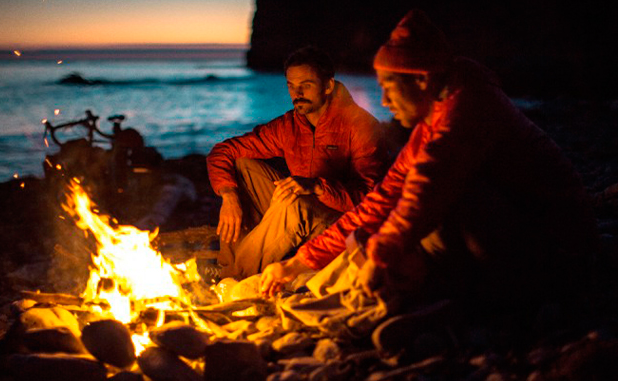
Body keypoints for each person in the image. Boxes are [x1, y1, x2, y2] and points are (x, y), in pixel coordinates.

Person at [260, 10, 598, 314]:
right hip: (522, 238)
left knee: (442, 204)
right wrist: (298, 262)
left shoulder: (468, 110)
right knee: (385, 221)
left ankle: (460, 301)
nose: (384, 101)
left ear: (421, 79)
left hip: (560, 251)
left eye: (389, 87)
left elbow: (425, 191)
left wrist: (379, 256)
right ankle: (427, 294)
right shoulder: (433, 119)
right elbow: (383, 197)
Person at [206, 46, 388, 281]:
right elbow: (223, 152)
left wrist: (318, 187)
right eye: (291, 85)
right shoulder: (289, 126)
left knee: (296, 205)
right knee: (242, 165)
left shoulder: (360, 126)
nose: (297, 92)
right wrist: (228, 196)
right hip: (301, 213)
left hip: (342, 225)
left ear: (328, 86)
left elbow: (372, 202)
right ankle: (228, 267)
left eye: (306, 85)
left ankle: (233, 278)